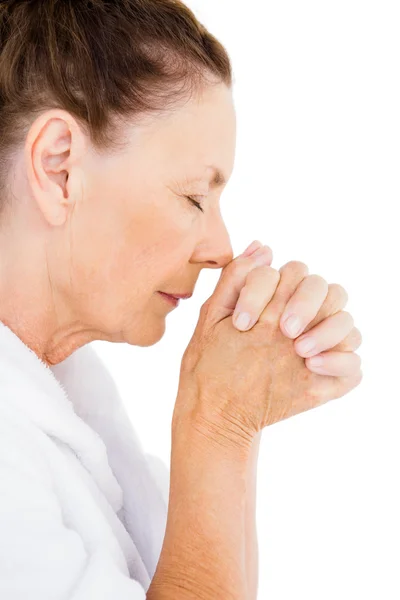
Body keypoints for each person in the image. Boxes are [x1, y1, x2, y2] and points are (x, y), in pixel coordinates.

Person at [0, 1, 363, 599]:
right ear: (60, 167)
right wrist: (216, 422)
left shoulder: (75, 395)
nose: (220, 248)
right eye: (195, 196)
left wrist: (238, 417)